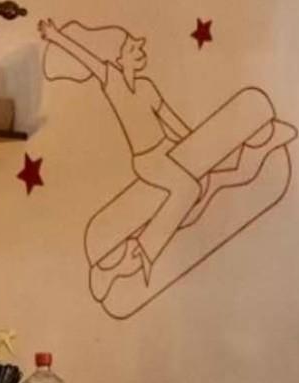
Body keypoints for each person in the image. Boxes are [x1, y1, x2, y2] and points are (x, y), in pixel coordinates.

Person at [39, 19, 201, 287]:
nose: (140, 52)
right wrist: (55, 35)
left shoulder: (147, 86)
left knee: (197, 188)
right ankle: (142, 252)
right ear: (119, 58)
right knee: (189, 189)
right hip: (148, 159)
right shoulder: (112, 82)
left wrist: (199, 141)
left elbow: (173, 124)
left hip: (166, 151)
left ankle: (142, 249)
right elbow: (85, 56)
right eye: (132, 49)